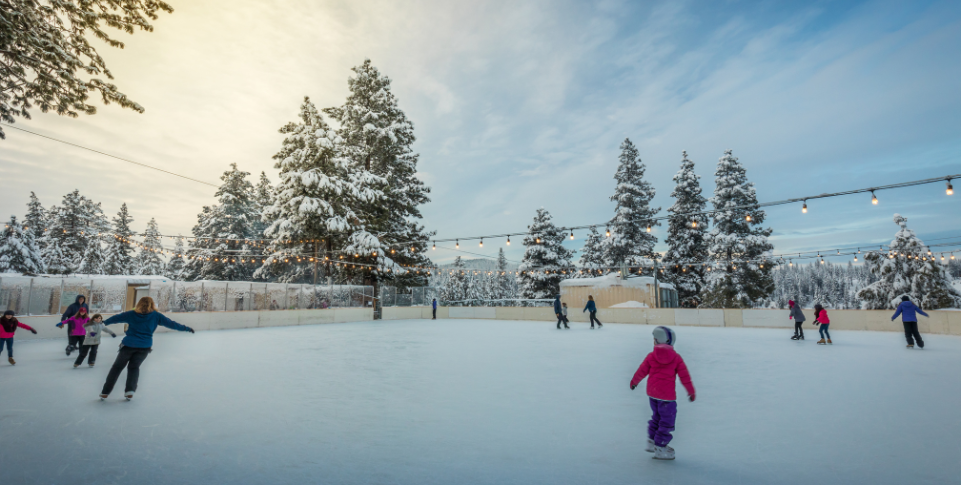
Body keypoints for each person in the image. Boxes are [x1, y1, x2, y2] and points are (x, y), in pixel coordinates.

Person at [98, 297, 195, 401]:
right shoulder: (156, 316)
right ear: (152, 304)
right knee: (134, 368)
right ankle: (130, 391)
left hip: (128, 345)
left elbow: (116, 318)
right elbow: (172, 324)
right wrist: (187, 328)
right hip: (144, 347)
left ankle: (105, 392)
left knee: (117, 368)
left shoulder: (132, 314)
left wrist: (104, 323)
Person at [630, 326, 695, 461]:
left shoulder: (651, 356)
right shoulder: (676, 358)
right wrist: (691, 391)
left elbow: (641, 371)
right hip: (667, 396)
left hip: (653, 394)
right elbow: (685, 377)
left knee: (657, 417)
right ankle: (660, 447)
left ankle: (651, 441)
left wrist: (634, 382)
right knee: (667, 421)